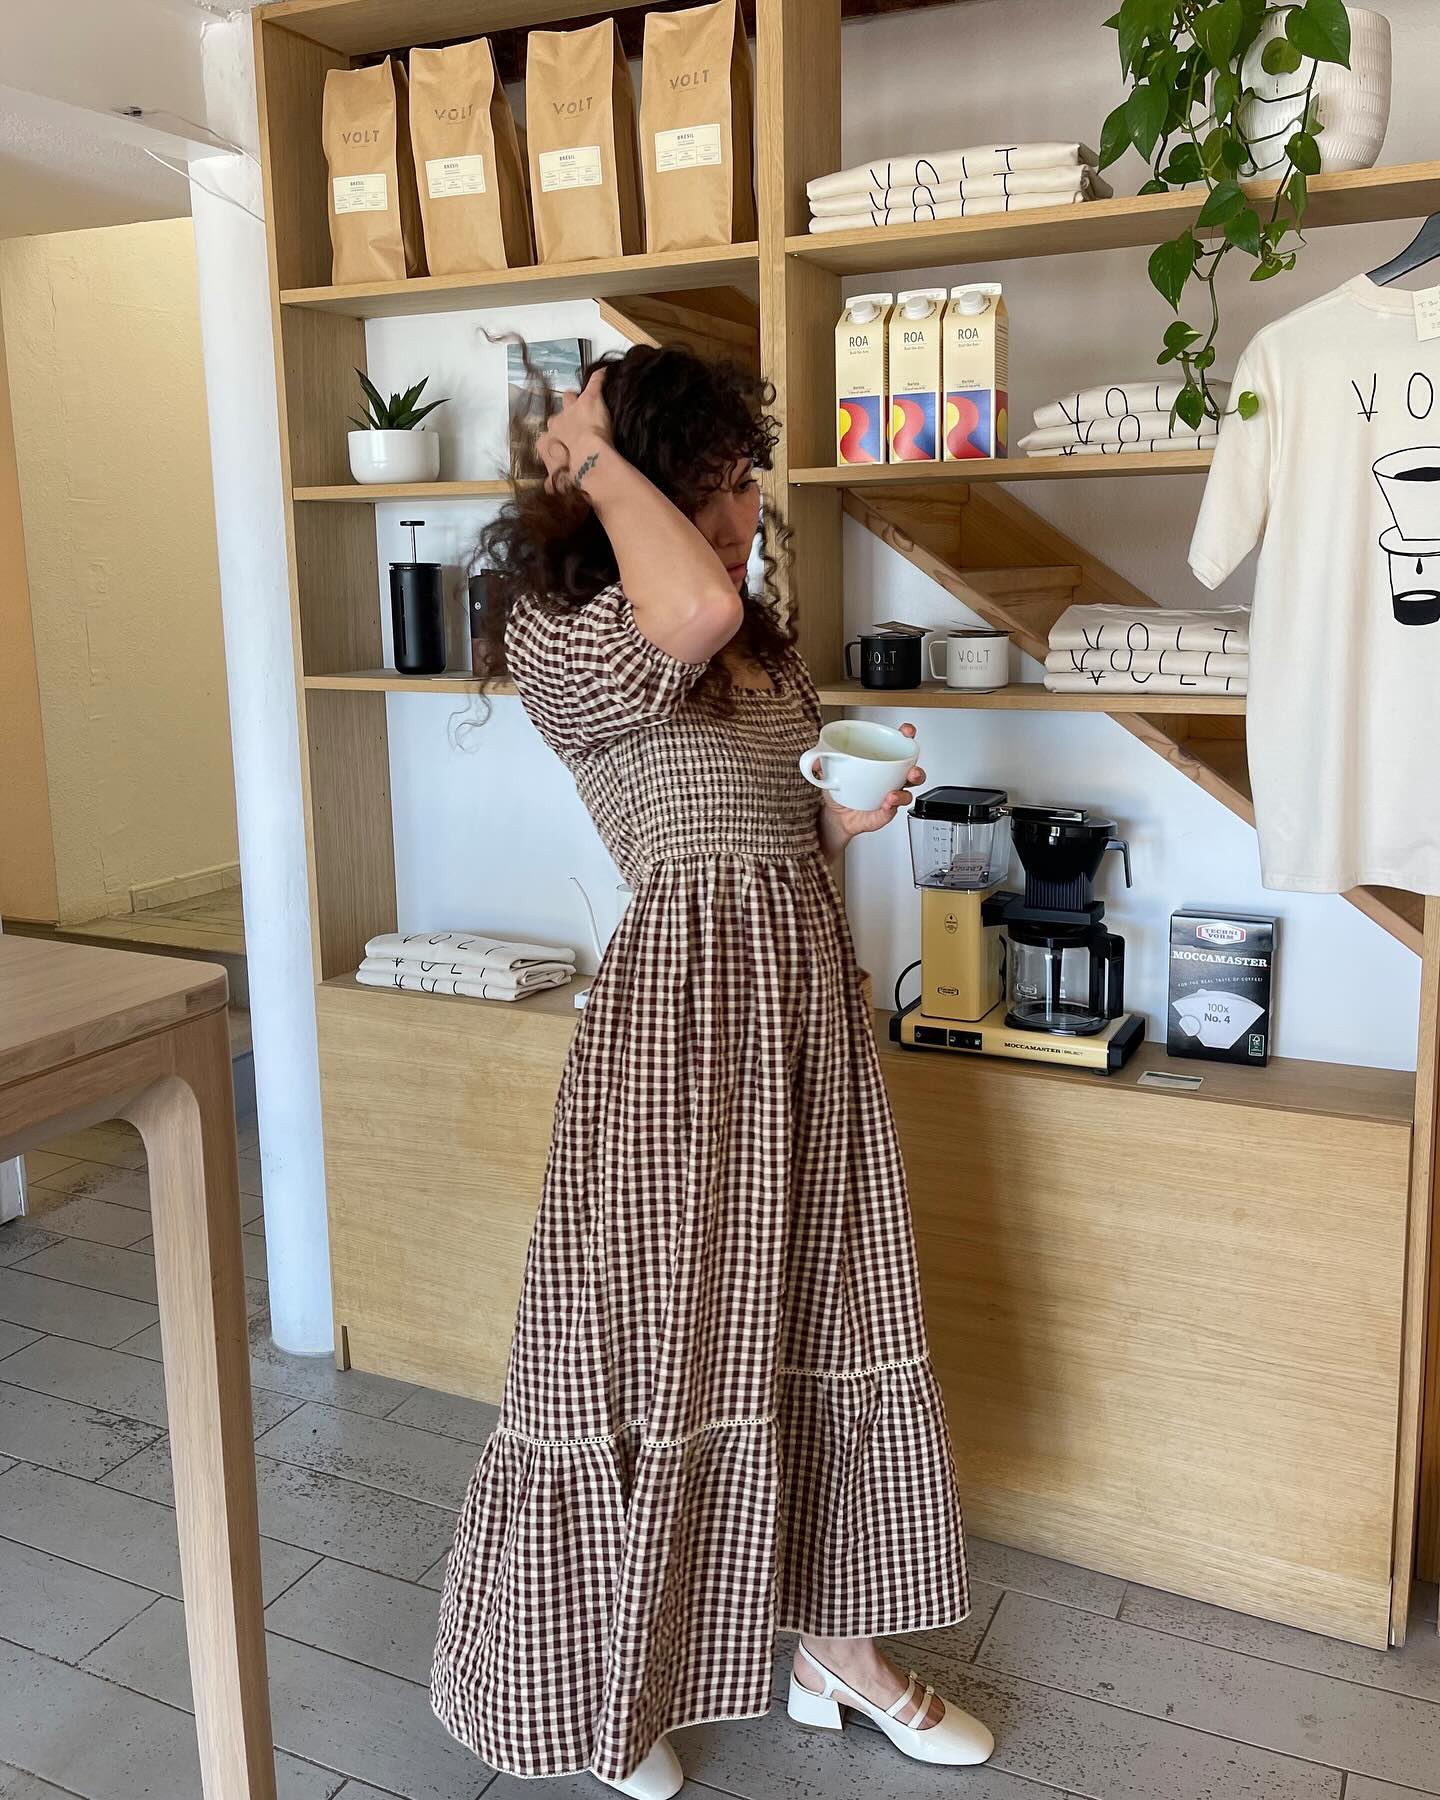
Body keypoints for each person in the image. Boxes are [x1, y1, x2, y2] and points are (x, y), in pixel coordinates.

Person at [429, 344, 992, 1798]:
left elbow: (762, 820)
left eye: (749, 475)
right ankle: (610, 1686)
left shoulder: (758, 647)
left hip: (801, 1010)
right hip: (678, 1039)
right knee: (651, 1346)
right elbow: (692, 598)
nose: (751, 503)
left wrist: (841, 833)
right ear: (658, 476)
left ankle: (837, 1653)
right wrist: (589, 447)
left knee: (829, 1306)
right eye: (728, 475)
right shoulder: (577, 631)